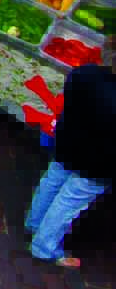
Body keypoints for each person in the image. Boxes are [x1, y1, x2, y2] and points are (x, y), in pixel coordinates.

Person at [25, 60, 113, 267]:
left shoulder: (84, 73)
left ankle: (35, 222)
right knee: (71, 199)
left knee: (53, 180)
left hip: (68, 141)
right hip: (98, 160)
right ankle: (44, 247)